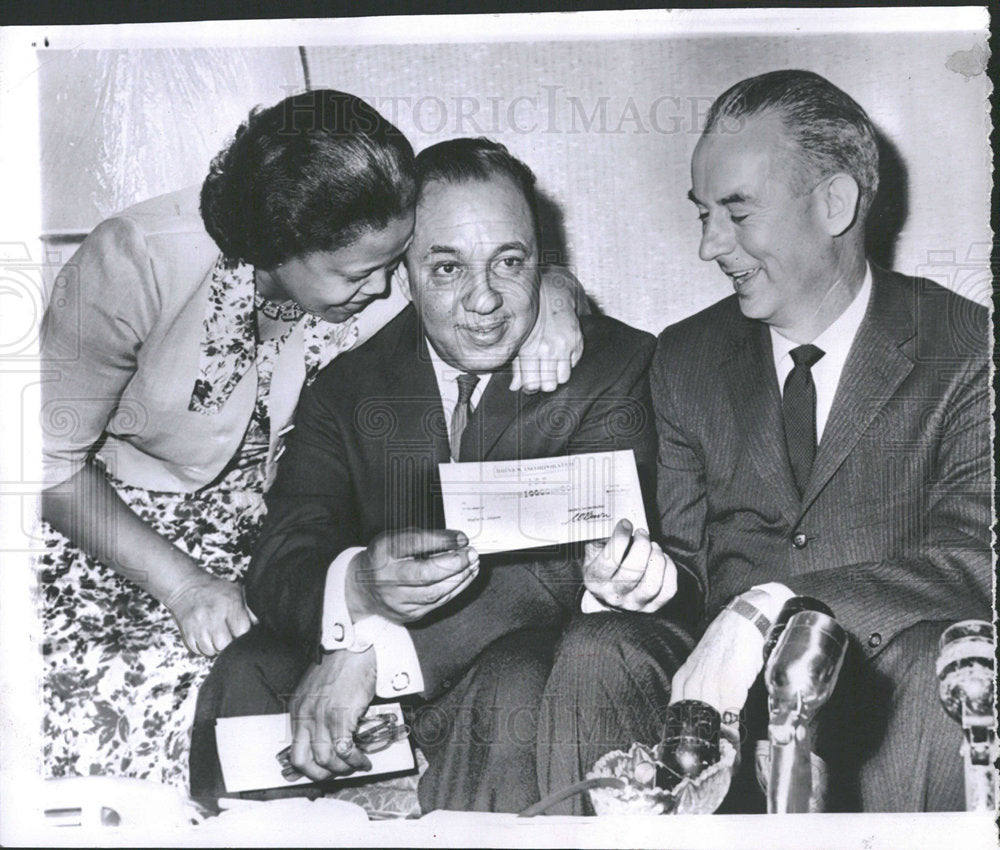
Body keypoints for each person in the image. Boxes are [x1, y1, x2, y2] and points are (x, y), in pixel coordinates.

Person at [37, 91, 584, 788]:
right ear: (278, 250)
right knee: (153, 702)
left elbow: (491, 249)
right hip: (115, 534)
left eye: (395, 261)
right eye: (362, 274)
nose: (388, 288)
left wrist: (559, 295)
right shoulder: (136, 261)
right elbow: (38, 464)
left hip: (280, 543)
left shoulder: (375, 254)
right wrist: (183, 587)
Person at [190, 137, 696, 813]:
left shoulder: (615, 368)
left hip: (510, 670)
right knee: (247, 669)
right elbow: (284, 553)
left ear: (541, 260)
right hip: (384, 681)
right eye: (447, 268)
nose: (484, 300)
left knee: (517, 680)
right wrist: (357, 595)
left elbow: (559, 563)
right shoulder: (347, 387)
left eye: (510, 263)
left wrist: (374, 650)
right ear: (404, 270)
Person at [653, 70, 991, 811]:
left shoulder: (967, 349)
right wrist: (636, 581)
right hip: (721, 714)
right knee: (596, 650)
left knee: (936, 653)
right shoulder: (682, 357)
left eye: (737, 214)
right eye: (703, 213)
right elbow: (680, 572)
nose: (711, 246)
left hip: (888, 705)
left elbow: (977, 563)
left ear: (834, 204)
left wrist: (779, 606)